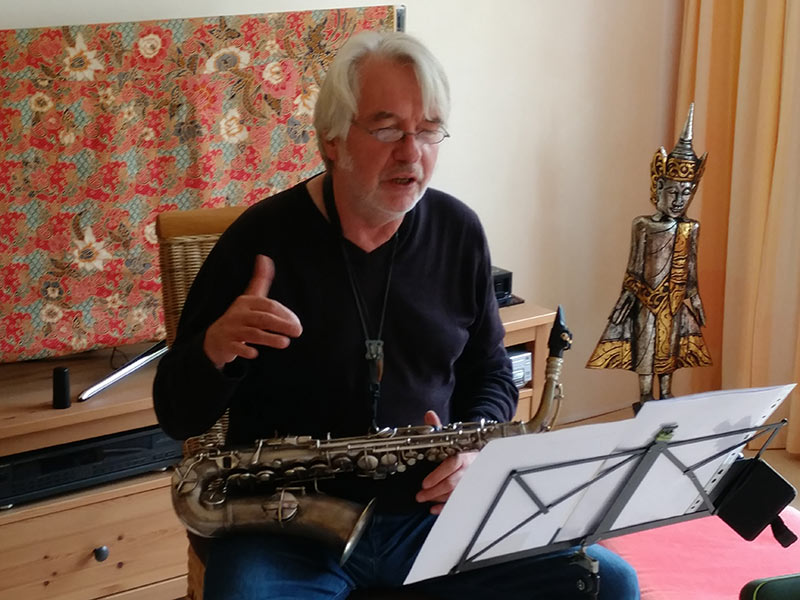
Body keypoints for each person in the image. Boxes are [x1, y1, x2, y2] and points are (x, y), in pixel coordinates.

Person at [154, 30, 639, 600]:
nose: (412, 152)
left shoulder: (459, 231)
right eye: (387, 129)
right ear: (332, 140)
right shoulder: (258, 241)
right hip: (288, 522)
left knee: (608, 582)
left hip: (431, 516)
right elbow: (176, 414)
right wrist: (214, 350)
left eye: (429, 130)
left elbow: (492, 374)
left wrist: (473, 453)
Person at [586, 104, 712, 410]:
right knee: (646, 346)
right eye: (673, 192)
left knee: (669, 349)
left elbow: (691, 269)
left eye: (686, 193)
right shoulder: (643, 225)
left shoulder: (690, 228)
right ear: (659, 186)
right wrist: (625, 298)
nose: (679, 200)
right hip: (647, 299)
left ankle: (665, 392)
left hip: (675, 301)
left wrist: (694, 298)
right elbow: (633, 268)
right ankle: (645, 394)